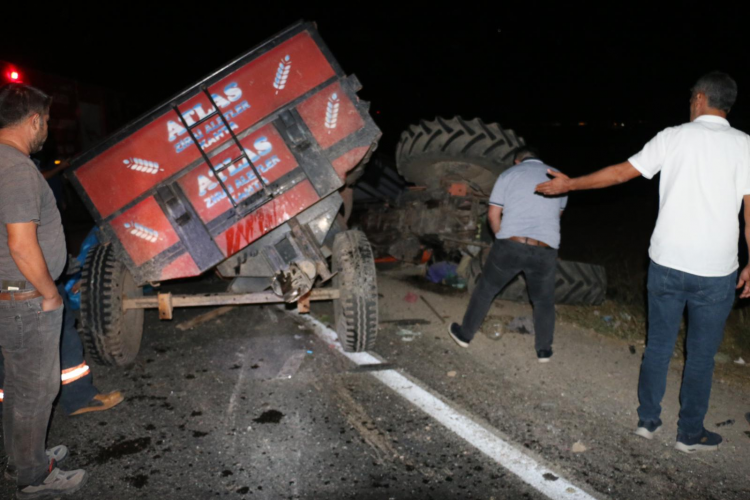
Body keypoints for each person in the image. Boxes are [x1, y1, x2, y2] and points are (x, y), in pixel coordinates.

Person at [536, 71, 750, 453]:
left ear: (700, 99)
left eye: (691, 99)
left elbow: (620, 174)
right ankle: (689, 434)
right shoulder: (745, 146)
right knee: (701, 357)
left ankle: (647, 421)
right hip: (716, 273)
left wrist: (571, 184)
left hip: (666, 264)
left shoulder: (673, 137)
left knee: (658, 347)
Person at [0, 83, 86, 497]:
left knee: (18, 387)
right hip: (26, 298)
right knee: (36, 389)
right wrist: (49, 293)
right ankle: (35, 476)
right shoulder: (15, 168)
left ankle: (25, 457)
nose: (47, 129)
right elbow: (20, 242)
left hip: (11, 294)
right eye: (47, 121)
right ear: (33, 120)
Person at [448, 146, 568, 362]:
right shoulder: (560, 178)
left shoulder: (509, 174)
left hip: (512, 244)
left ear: (517, 161)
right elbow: (555, 216)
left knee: (486, 290)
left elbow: (493, 215)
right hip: (545, 249)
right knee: (543, 301)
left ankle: (465, 335)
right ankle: (544, 351)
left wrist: (501, 238)